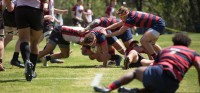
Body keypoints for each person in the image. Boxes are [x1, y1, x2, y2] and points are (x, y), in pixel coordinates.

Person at [93, 33, 200, 93]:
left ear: (174, 42)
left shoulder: (166, 50)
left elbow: (156, 63)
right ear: (187, 44)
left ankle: (109, 88)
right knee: (156, 88)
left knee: (136, 72)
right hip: (173, 83)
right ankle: (133, 92)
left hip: (157, 70)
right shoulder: (193, 53)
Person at [15, 0, 47, 81]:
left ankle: (27, 61)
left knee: (24, 39)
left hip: (21, 10)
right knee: (35, 42)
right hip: (36, 11)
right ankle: (32, 71)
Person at [3, 0, 24, 68]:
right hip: (13, 13)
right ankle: (15, 59)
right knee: (23, 37)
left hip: (7, 13)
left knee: (9, 37)